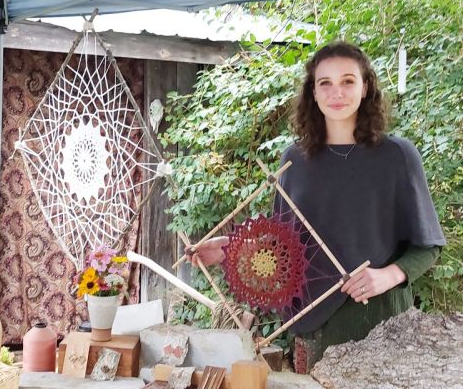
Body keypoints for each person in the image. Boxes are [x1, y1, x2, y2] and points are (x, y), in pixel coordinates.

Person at [187, 41, 445, 372]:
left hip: (380, 323)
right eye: (325, 83)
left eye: (348, 81)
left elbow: (429, 245)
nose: (336, 92)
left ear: (365, 87)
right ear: (313, 91)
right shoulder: (293, 160)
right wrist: (230, 252)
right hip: (311, 324)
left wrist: (388, 276)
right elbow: (284, 250)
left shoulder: (397, 156)